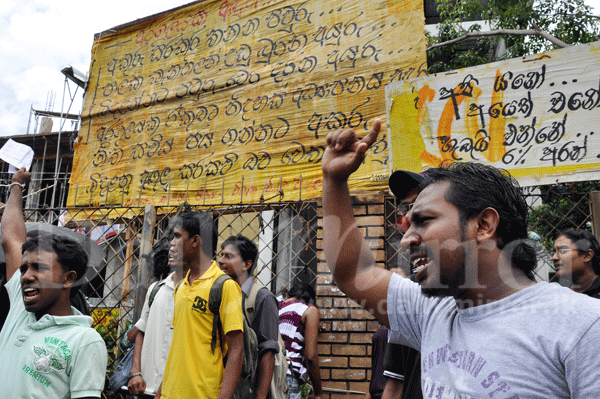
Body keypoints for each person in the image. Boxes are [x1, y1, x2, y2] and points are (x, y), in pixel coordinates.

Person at [321, 119, 600, 397]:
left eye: (424, 221)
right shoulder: (432, 312)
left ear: (484, 226)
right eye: (407, 224)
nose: (407, 239)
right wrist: (334, 181)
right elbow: (353, 272)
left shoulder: (582, 325)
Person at [0, 167, 107, 398]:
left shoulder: (84, 340)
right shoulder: (20, 305)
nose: (26, 276)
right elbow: (11, 238)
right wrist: (16, 185)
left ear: (68, 278)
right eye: (24, 267)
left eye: (39, 268)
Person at [156, 210, 244, 399]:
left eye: (178, 236)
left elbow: (236, 351)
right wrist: (161, 391)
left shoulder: (225, 287)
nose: (172, 243)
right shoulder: (181, 286)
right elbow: (180, 345)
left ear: (196, 241)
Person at [127, 234, 191, 397]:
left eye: (179, 247)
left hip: (178, 390)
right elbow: (141, 331)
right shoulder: (156, 289)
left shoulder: (197, 294)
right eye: (171, 247)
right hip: (146, 387)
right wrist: (136, 372)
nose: (172, 249)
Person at [218, 234, 280, 399]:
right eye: (221, 254)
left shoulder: (261, 298)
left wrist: (260, 396)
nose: (221, 260)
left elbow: (268, 351)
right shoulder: (220, 293)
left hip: (248, 391)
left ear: (247, 264)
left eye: (228, 256)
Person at [279, 282, 323, 399]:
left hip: (266, 376)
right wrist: (318, 393)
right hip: (287, 377)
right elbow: (311, 357)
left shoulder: (277, 306)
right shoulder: (309, 310)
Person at [552, 228, 600, 298]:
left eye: (562, 251)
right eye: (554, 252)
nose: (554, 257)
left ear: (587, 256)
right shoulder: (558, 294)